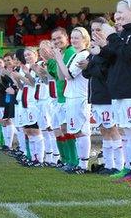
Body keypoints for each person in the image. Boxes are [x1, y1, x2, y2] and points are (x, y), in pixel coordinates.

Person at [91, 0, 131, 187]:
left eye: (120, 12)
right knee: (129, 131)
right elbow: (115, 57)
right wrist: (103, 48)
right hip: (121, 90)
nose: (116, 16)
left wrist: (111, 36)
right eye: (116, 12)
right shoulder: (124, 33)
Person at [82, 17, 122, 175]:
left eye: (98, 29)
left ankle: (118, 165)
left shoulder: (109, 49)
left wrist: (90, 65)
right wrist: (88, 66)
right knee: (104, 131)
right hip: (96, 97)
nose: (95, 33)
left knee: (112, 129)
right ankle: (107, 163)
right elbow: (86, 73)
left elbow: (105, 72)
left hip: (107, 95)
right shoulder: (93, 48)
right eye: (92, 30)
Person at [52, 27, 91, 174]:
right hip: (71, 96)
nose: (74, 40)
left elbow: (68, 76)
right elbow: (61, 77)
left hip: (79, 96)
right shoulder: (76, 55)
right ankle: (76, 163)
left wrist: (59, 59)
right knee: (75, 131)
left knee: (81, 131)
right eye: (73, 37)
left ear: (84, 39)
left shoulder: (83, 55)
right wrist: (59, 60)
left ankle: (82, 165)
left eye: (77, 38)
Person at [39, 27, 77, 170]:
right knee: (63, 128)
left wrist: (51, 60)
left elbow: (63, 74)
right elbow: (56, 75)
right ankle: (67, 160)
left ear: (66, 37)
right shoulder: (61, 53)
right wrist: (50, 61)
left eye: (59, 38)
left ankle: (74, 161)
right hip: (61, 97)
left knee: (69, 129)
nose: (56, 41)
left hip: (69, 96)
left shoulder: (69, 52)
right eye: (53, 39)